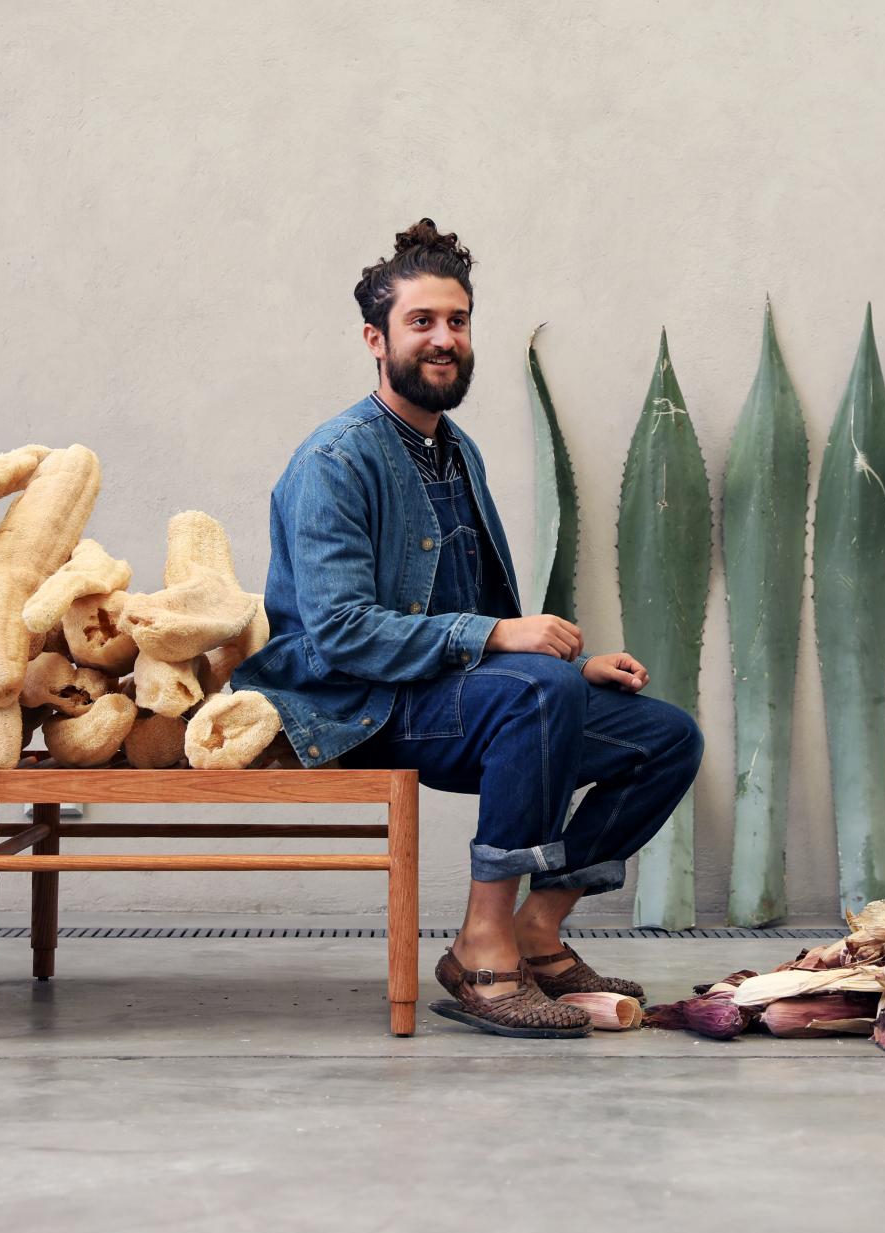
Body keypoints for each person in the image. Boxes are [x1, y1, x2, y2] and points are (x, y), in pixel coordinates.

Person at [232, 219, 704, 1038]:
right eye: (422, 322)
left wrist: (575, 665)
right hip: (363, 709)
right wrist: (503, 643)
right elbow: (342, 633)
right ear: (375, 339)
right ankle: (481, 948)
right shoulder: (338, 461)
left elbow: (486, 622)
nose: (444, 339)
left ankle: (537, 929)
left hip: (458, 699)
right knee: (534, 692)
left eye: (457, 320)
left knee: (665, 737)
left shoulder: (456, 451)